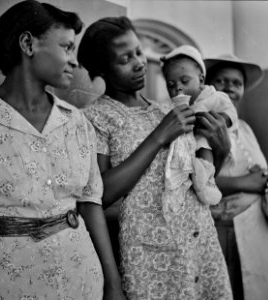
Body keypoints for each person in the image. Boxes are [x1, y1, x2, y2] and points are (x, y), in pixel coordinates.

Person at [0, 1, 125, 299]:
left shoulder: (76, 122)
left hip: (81, 275)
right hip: (5, 282)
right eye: (67, 47)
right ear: (28, 43)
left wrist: (113, 285)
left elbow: (90, 203)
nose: (74, 61)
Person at [78, 16, 233, 299]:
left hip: (200, 243)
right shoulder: (95, 118)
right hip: (152, 257)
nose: (139, 62)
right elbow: (99, 195)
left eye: (138, 51)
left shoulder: (169, 109)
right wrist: (159, 137)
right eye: (125, 59)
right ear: (101, 69)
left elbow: (201, 180)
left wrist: (220, 149)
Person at [205, 54, 268, 300]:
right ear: (208, 86)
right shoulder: (201, 126)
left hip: (257, 228)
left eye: (236, 82)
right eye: (221, 81)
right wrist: (245, 183)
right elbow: (193, 183)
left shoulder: (244, 127)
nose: (229, 88)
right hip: (223, 229)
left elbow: (258, 170)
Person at [159, 46, 238, 217]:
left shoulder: (214, 96)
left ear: (201, 79)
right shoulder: (175, 108)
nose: (178, 88)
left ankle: (206, 180)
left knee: (203, 142)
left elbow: (231, 112)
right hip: (193, 143)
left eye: (184, 81)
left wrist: (221, 119)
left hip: (213, 136)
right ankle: (197, 175)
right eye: (171, 85)